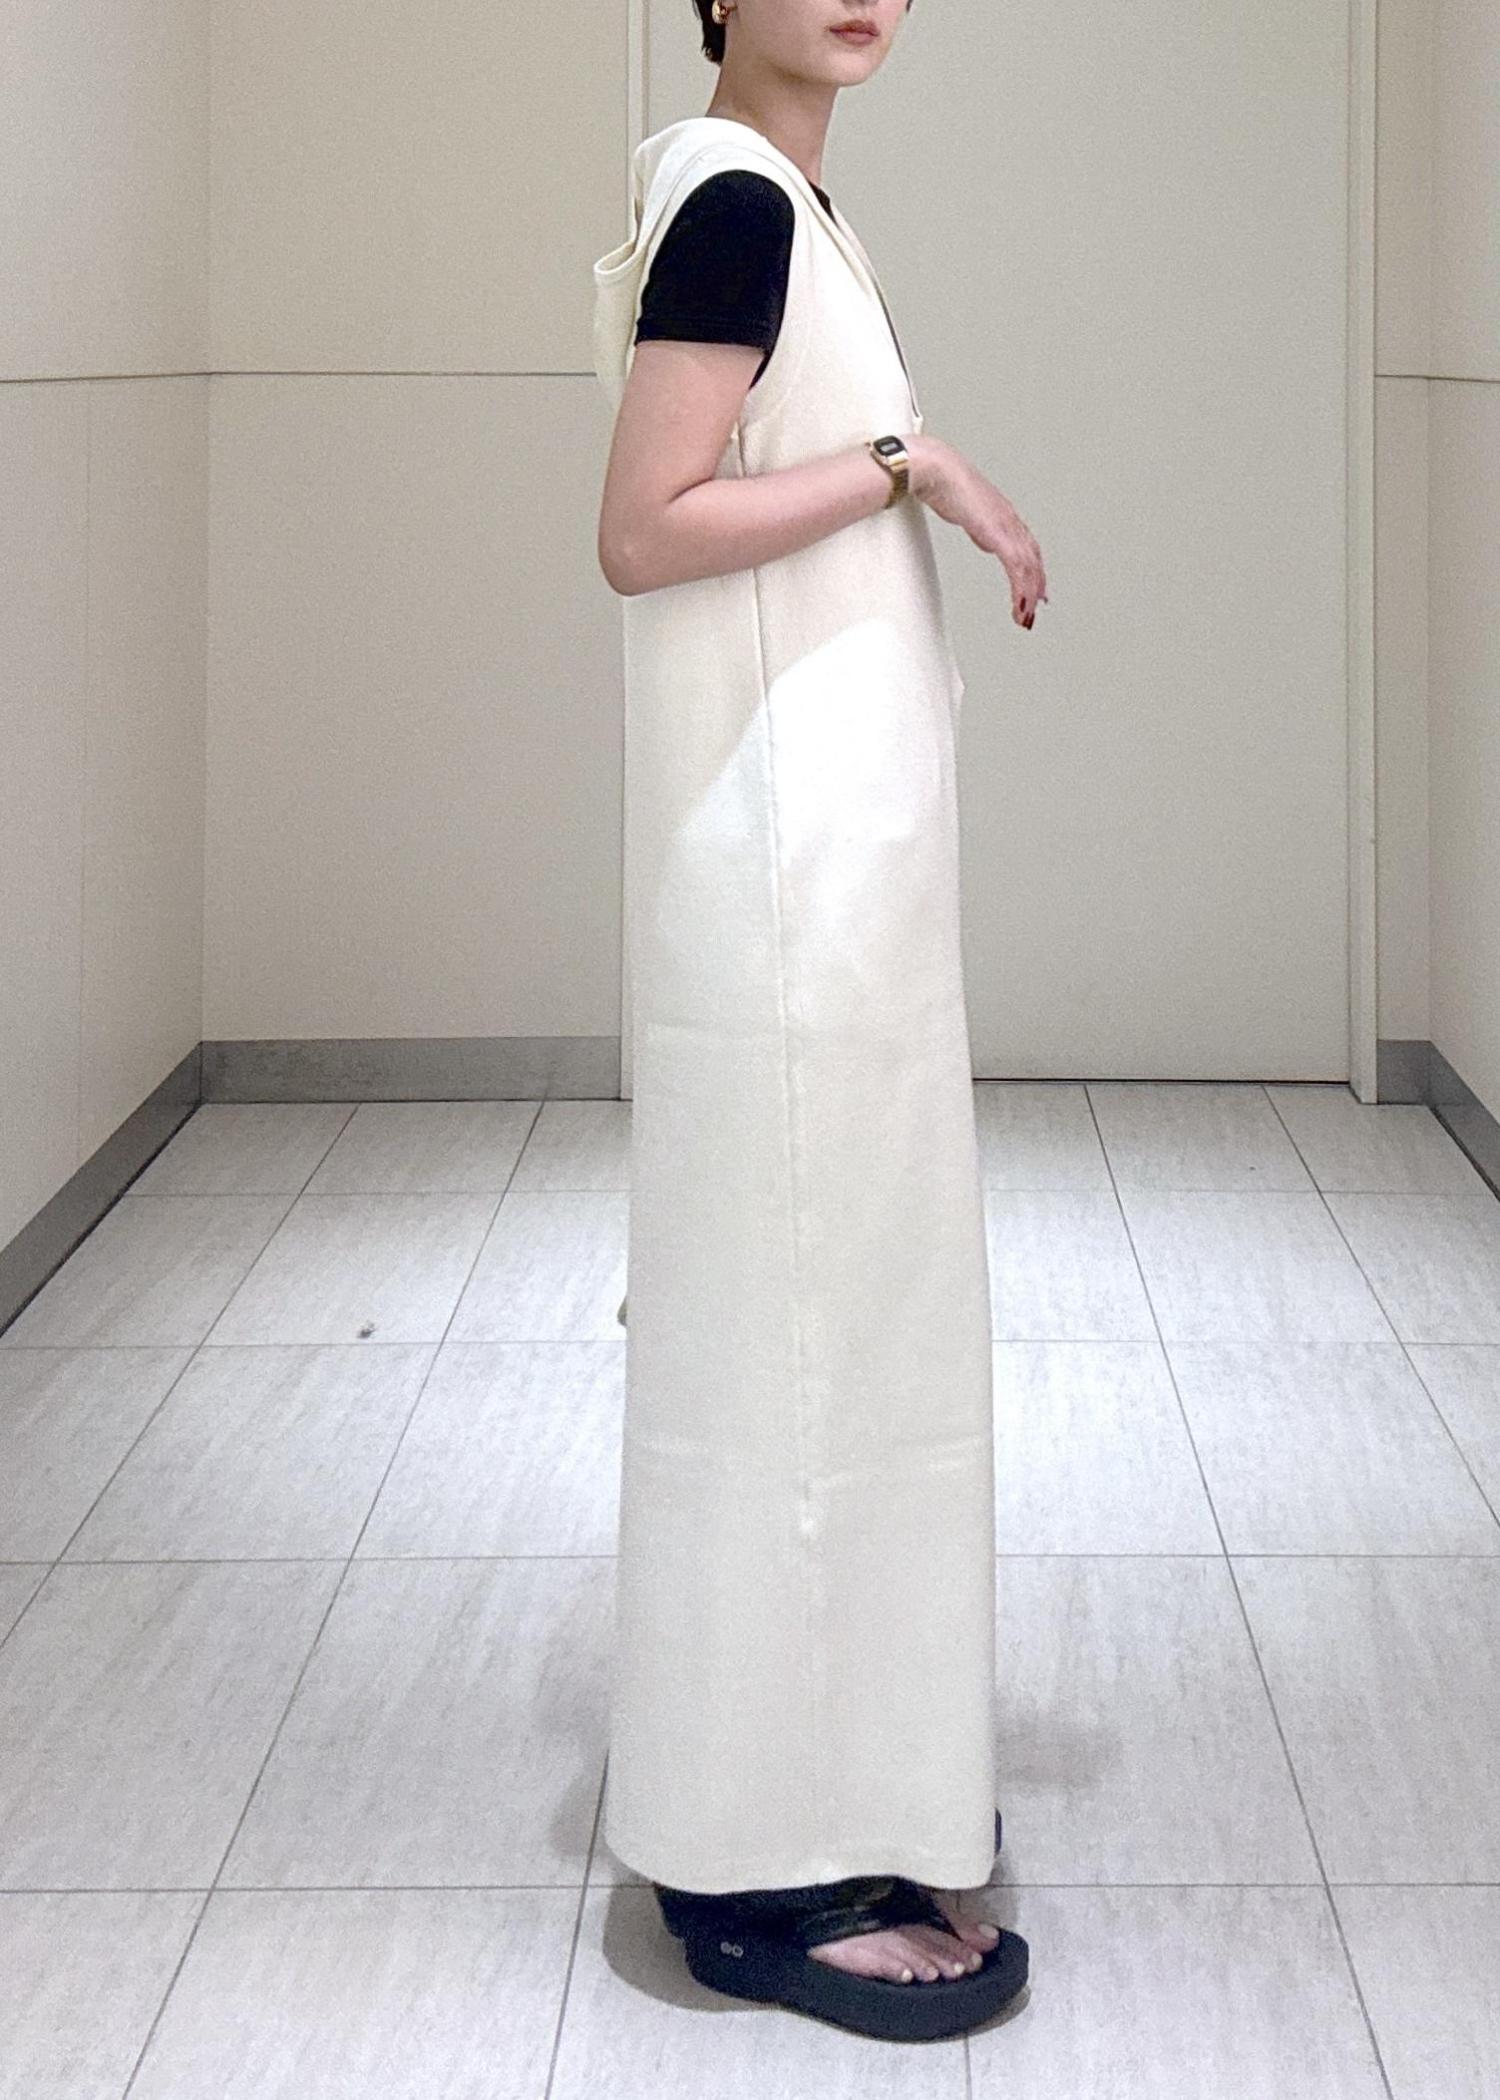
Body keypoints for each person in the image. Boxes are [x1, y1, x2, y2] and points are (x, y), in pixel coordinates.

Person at [591, 0, 1047, 2042]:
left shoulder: (771, 198)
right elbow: (645, 528)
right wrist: (902, 465)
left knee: (828, 1347)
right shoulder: (737, 207)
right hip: (784, 897)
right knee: (792, 1356)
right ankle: (760, 1871)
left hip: (816, 885)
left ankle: (840, 1784)